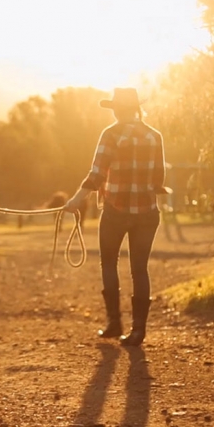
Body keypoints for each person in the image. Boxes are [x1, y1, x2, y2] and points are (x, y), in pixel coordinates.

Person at [64, 88, 171, 347]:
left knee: (109, 264)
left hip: (115, 212)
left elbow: (97, 173)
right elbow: (159, 179)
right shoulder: (154, 136)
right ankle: (138, 332)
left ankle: (114, 324)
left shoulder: (110, 134)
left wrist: (77, 199)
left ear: (115, 109)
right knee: (139, 270)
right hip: (147, 212)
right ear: (136, 107)